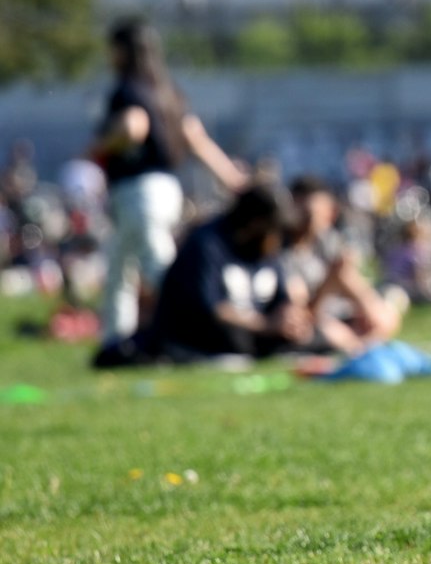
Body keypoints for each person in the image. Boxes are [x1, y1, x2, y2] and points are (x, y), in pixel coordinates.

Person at [89, 18, 248, 346]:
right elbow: (196, 139)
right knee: (122, 265)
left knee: (156, 269)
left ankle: (196, 333)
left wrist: (97, 148)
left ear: (121, 51)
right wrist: (233, 179)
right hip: (166, 188)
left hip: (138, 190)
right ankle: (115, 343)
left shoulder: (127, 90)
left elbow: (133, 128)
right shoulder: (168, 91)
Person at [98, 184, 311, 364]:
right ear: (256, 224)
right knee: (233, 338)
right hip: (198, 336)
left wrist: (289, 318)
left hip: (254, 331)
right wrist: (265, 325)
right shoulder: (206, 244)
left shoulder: (268, 253)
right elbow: (210, 308)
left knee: (310, 337)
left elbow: (281, 299)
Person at [284, 175, 404, 356]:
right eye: (310, 214)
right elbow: (302, 310)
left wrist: (366, 307)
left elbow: (351, 282)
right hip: (316, 319)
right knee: (332, 330)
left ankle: (362, 343)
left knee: (388, 313)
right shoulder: (285, 252)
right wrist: (332, 279)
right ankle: (361, 345)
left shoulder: (328, 241)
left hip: (340, 313)